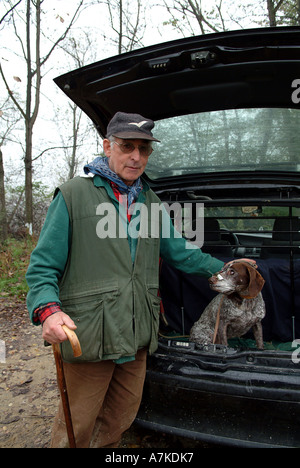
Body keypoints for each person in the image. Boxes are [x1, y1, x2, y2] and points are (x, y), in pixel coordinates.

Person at [26, 111, 225, 448]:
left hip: (136, 336)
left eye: (144, 149)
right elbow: (43, 266)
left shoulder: (151, 202)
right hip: (90, 335)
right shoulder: (74, 195)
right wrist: (48, 310)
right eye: (127, 146)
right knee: (76, 428)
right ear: (108, 146)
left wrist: (226, 270)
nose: (136, 156)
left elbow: (180, 252)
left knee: (118, 421)